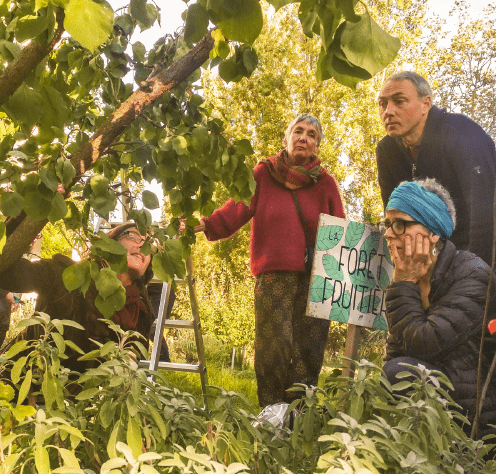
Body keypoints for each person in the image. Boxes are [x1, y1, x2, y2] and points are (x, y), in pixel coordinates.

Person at [184, 114, 346, 408]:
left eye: (311, 135)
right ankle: (272, 413)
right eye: (298, 131)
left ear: (316, 146)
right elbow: (234, 210)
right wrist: (202, 224)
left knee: (309, 349)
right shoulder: (263, 175)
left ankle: (300, 415)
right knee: (274, 347)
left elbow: (341, 233)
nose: (303, 138)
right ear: (285, 140)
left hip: (317, 279)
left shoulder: (325, 184)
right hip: (274, 277)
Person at [380, 178, 496, 439]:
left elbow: (423, 343)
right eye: (386, 224)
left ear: (433, 233)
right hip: (435, 407)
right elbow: (397, 349)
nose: (388, 233)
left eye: (399, 224)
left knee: (398, 373)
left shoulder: (472, 274)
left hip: (477, 421)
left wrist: (404, 282)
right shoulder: (413, 278)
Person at [0, 223, 156, 372]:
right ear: (110, 243)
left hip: (82, 402)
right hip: (20, 389)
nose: (142, 245)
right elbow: (3, 272)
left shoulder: (140, 310)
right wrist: (26, 220)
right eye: (134, 236)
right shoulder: (66, 276)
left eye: (149, 243)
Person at [376, 71, 496, 266]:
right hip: (428, 264)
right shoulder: (386, 150)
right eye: (382, 104)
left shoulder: (463, 133)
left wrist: (475, 277)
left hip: (471, 260)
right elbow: (394, 219)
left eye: (399, 101)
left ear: (426, 104)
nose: (388, 111)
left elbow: (486, 217)